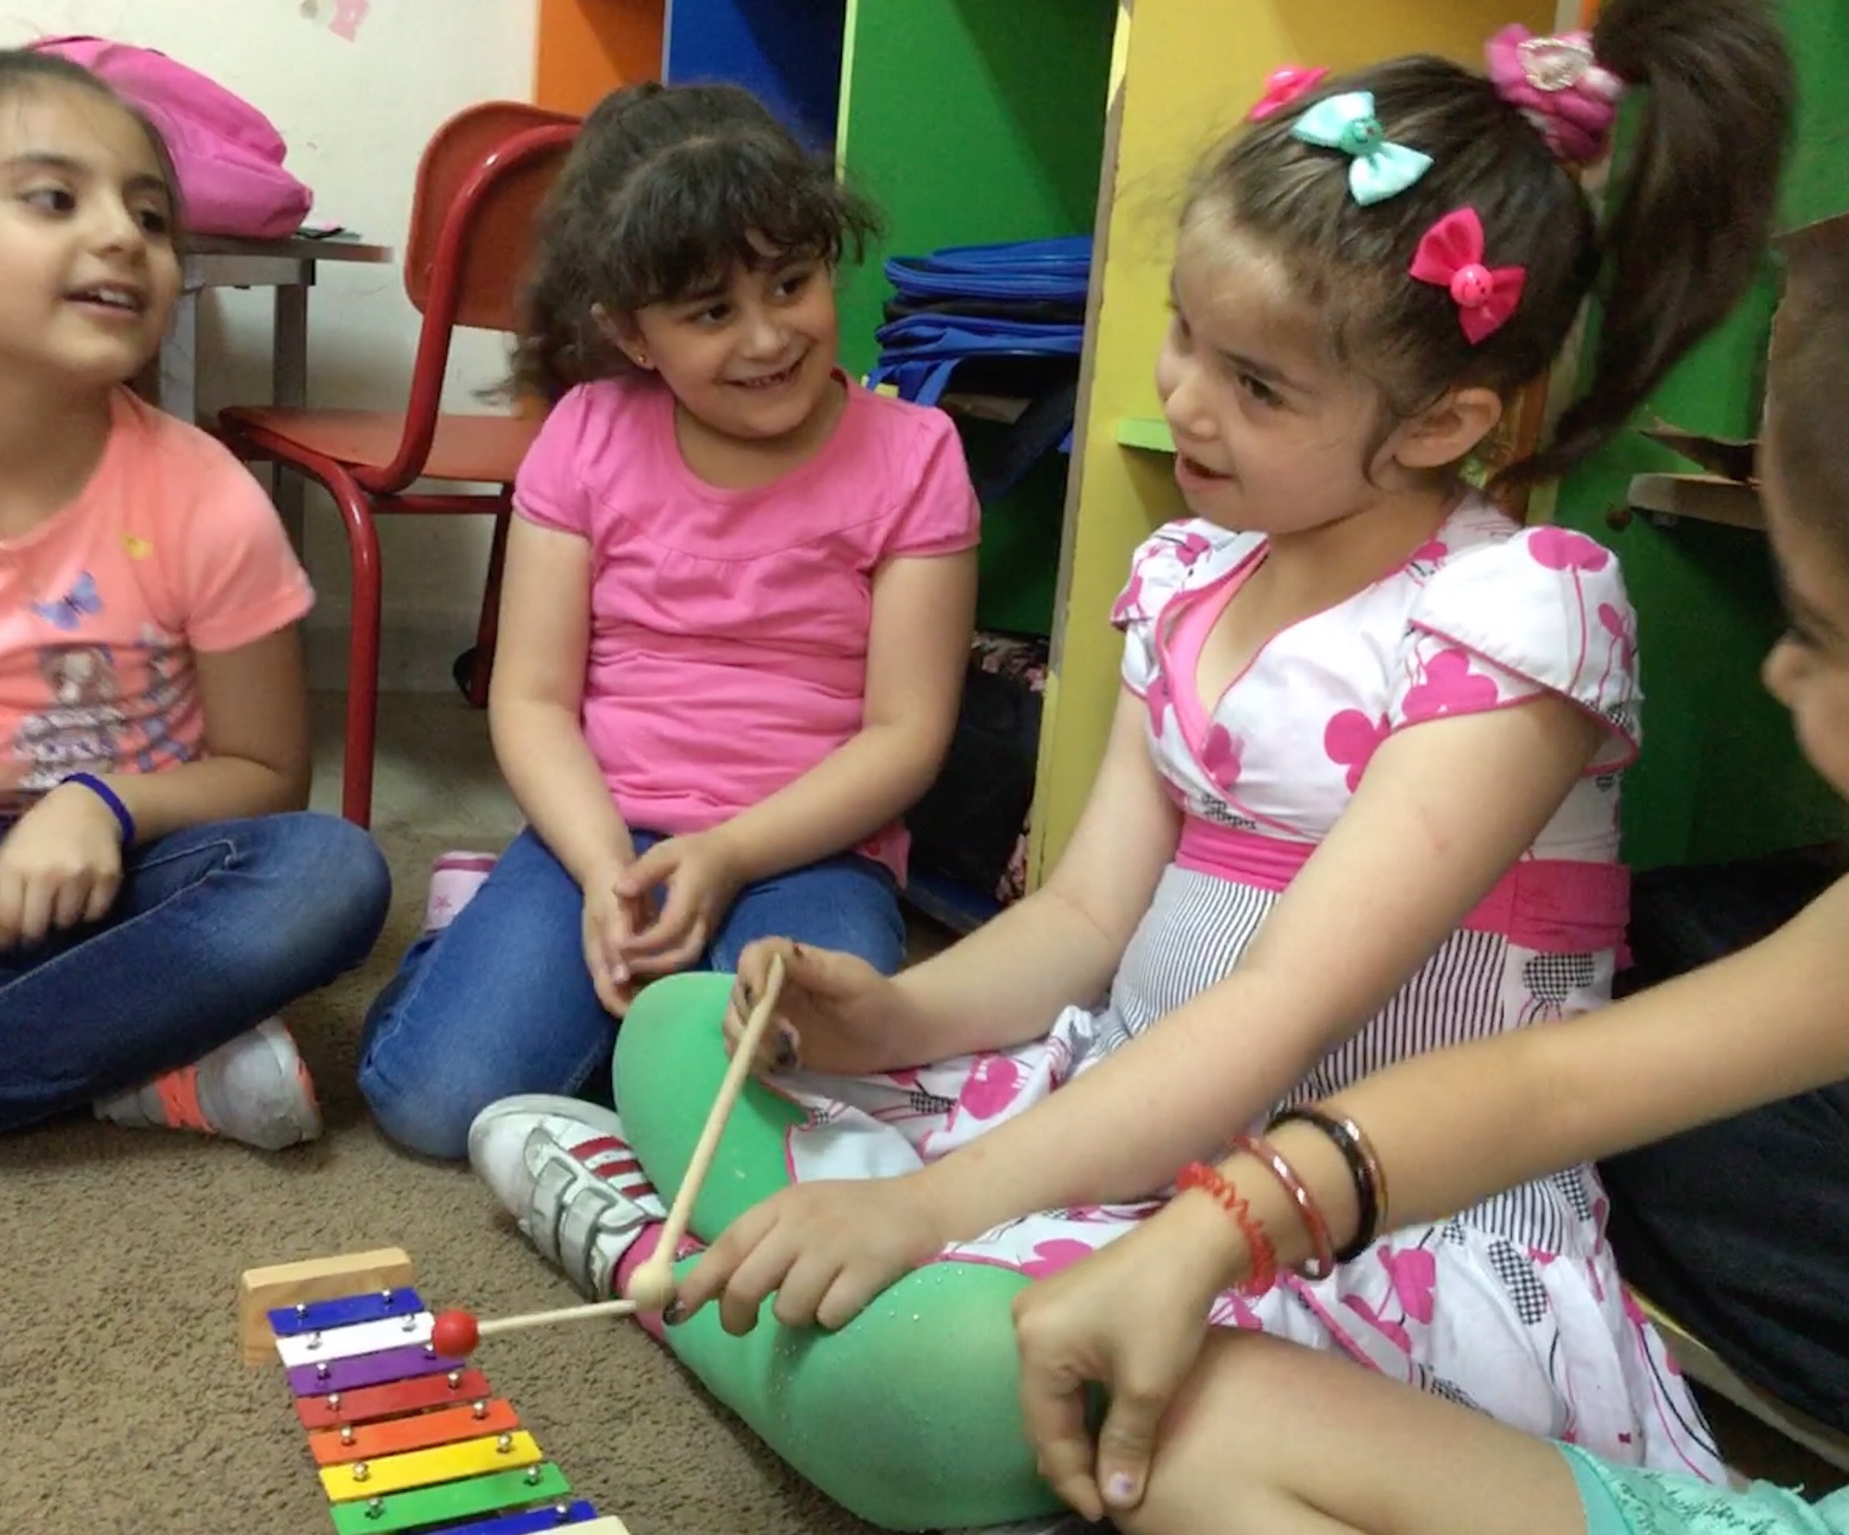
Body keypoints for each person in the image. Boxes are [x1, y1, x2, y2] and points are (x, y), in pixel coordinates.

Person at [466, 4, 1794, 1529]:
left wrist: (929, 1201)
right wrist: (889, 1012)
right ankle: (756, 1277)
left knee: (994, 1377)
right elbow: (1088, 919)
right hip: (1120, 1103)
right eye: (1183, 333)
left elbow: (1276, 1008)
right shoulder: (1187, 578)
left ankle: (681, 1272)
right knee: (703, 1020)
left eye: (1261, 384)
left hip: (1340, 1201)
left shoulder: (1516, 621)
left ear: (1444, 419)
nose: (1187, 397)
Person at [1005, 207, 1849, 1535]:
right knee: (1180, 1422)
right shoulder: (1181, 575)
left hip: (1440, 1248)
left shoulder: (1515, 609)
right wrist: (1216, 1222)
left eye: (1816, 625)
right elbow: (1551, 1079)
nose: (1781, 669)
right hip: (1232, 1146)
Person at [356, 82, 979, 1159]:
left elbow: (905, 734)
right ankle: (482, 927)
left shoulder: (916, 455)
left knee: (799, 1112)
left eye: (790, 283)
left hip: (809, 848)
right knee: (433, 1102)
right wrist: (602, 869)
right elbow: (536, 697)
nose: (768, 335)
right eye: (708, 312)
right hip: (605, 831)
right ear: (630, 335)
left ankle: (625, 1008)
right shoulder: (588, 435)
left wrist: (732, 851)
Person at [0, 51, 392, 1178]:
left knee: (332, 874)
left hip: (127, 884)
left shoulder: (203, 491)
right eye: (54, 198)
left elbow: (268, 773)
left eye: (151, 213)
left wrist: (104, 806)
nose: (125, 235)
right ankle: (125, 1044)